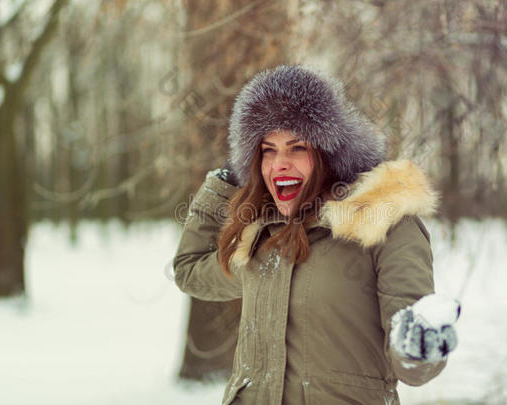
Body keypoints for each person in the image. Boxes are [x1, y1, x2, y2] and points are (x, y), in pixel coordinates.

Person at [173, 65, 460, 405]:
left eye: (297, 148)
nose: (279, 164)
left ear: (328, 153)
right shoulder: (264, 238)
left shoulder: (383, 225)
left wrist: (420, 345)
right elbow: (189, 272)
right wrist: (222, 185)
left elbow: (411, 365)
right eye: (267, 149)